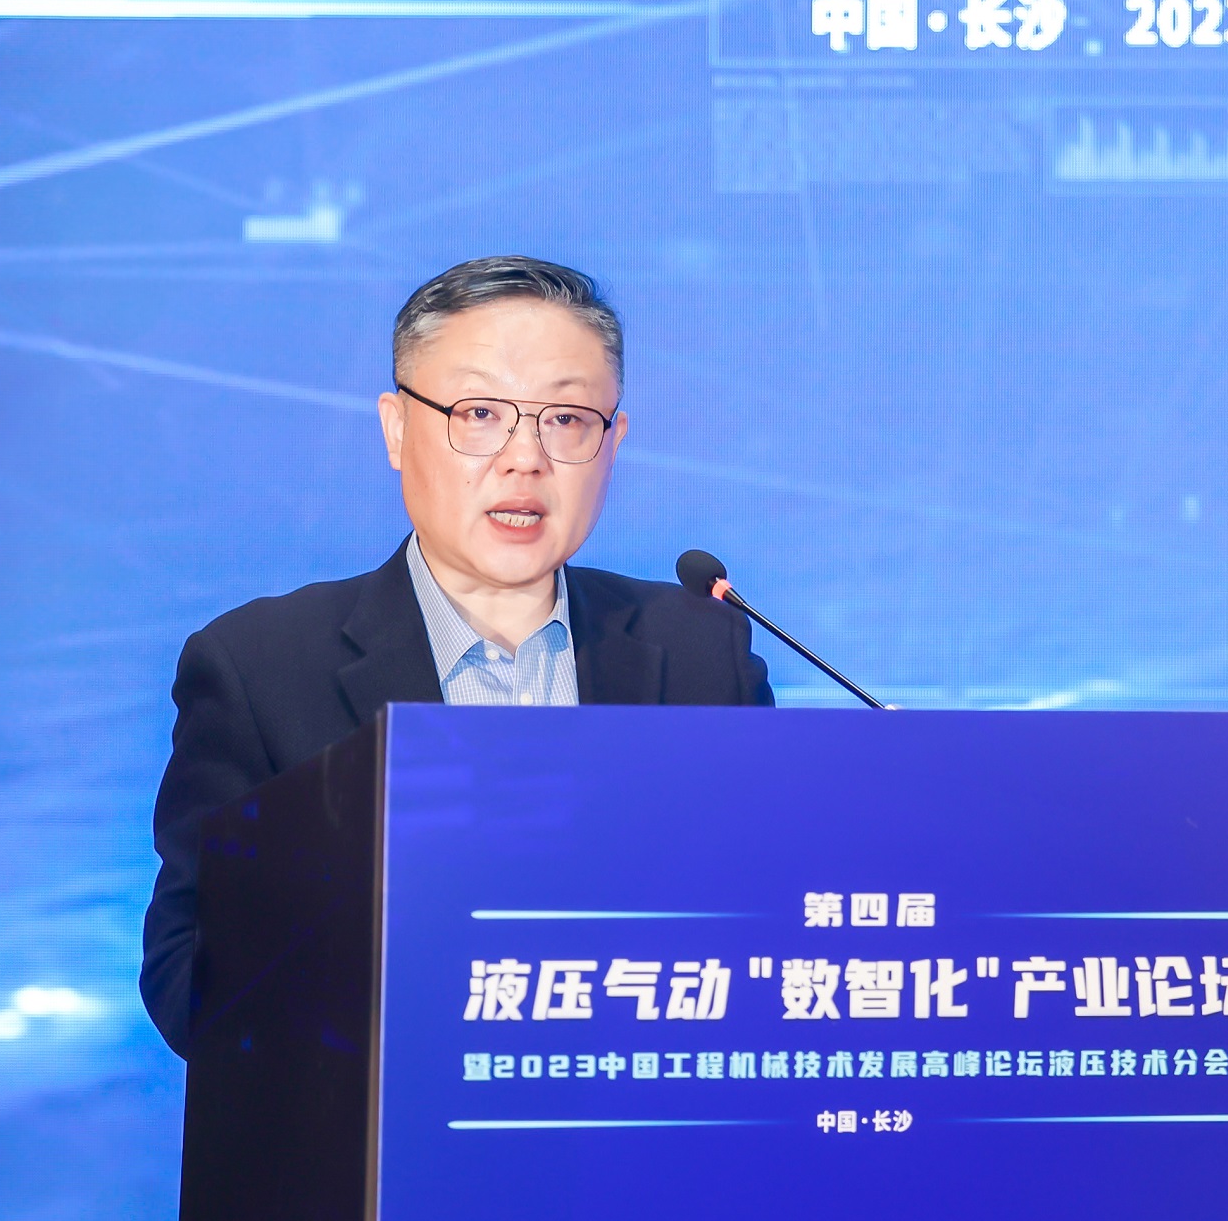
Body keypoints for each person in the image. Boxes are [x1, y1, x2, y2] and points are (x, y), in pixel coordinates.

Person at [140, 256, 773, 1056]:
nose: (525, 457)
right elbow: (189, 983)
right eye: (479, 413)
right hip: (389, 1122)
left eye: (566, 419)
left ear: (613, 442)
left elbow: (772, 922)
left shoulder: (701, 649)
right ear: (397, 429)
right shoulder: (259, 667)